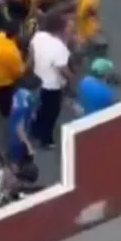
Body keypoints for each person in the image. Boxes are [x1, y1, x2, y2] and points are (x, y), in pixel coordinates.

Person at [30, 13, 73, 150]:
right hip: (52, 86)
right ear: (60, 29)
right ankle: (46, 139)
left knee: (40, 108)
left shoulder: (39, 36)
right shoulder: (60, 48)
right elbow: (63, 70)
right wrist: (73, 80)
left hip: (38, 79)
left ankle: (35, 130)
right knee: (51, 113)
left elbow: (31, 53)